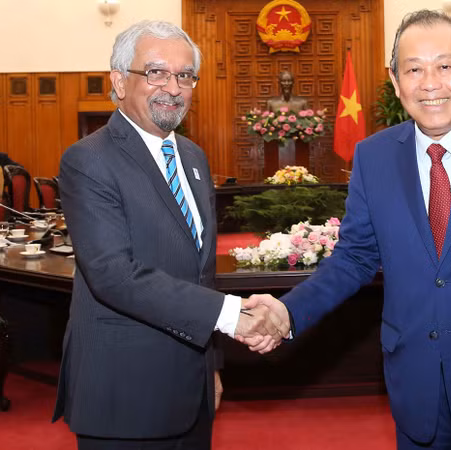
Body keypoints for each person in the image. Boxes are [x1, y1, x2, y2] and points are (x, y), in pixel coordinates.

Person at [246, 10, 451, 449]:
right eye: (413, 69)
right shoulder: (373, 156)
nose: (430, 83)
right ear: (395, 79)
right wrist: (289, 312)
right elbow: (354, 258)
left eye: (445, 66)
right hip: (415, 391)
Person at [51, 20, 286, 450]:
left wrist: (211, 367)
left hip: (190, 389)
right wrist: (233, 316)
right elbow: (113, 275)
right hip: (124, 393)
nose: (173, 87)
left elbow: (200, 274)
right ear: (119, 82)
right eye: (156, 72)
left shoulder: (193, 158)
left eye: (185, 75)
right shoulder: (89, 160)